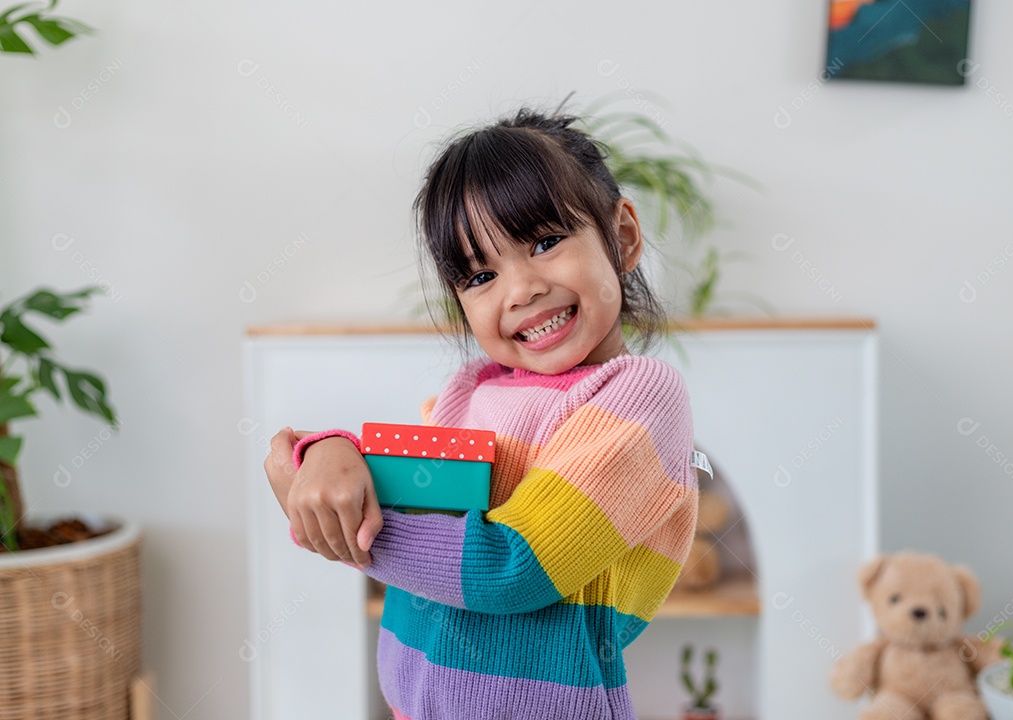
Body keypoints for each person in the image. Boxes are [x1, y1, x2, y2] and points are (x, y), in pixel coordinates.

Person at [263, 104, 700, 720]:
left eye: (546, 242)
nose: (520, 290)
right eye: (480, 276)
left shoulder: (639, 396)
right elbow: (403, 492)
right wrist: (327, 453)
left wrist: (347, 536)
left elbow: (511, 568)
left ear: (622, 236)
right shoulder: (469, 391)